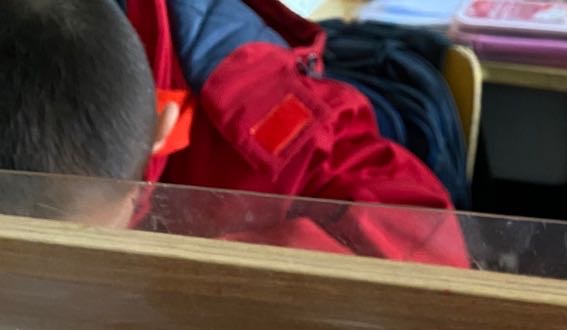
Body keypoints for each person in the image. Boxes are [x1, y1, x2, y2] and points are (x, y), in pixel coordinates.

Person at [0, 0, 468, 267]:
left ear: (159, 136)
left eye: (98, 246)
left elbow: (424, 239)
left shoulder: (253, 100)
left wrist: (192, 277)